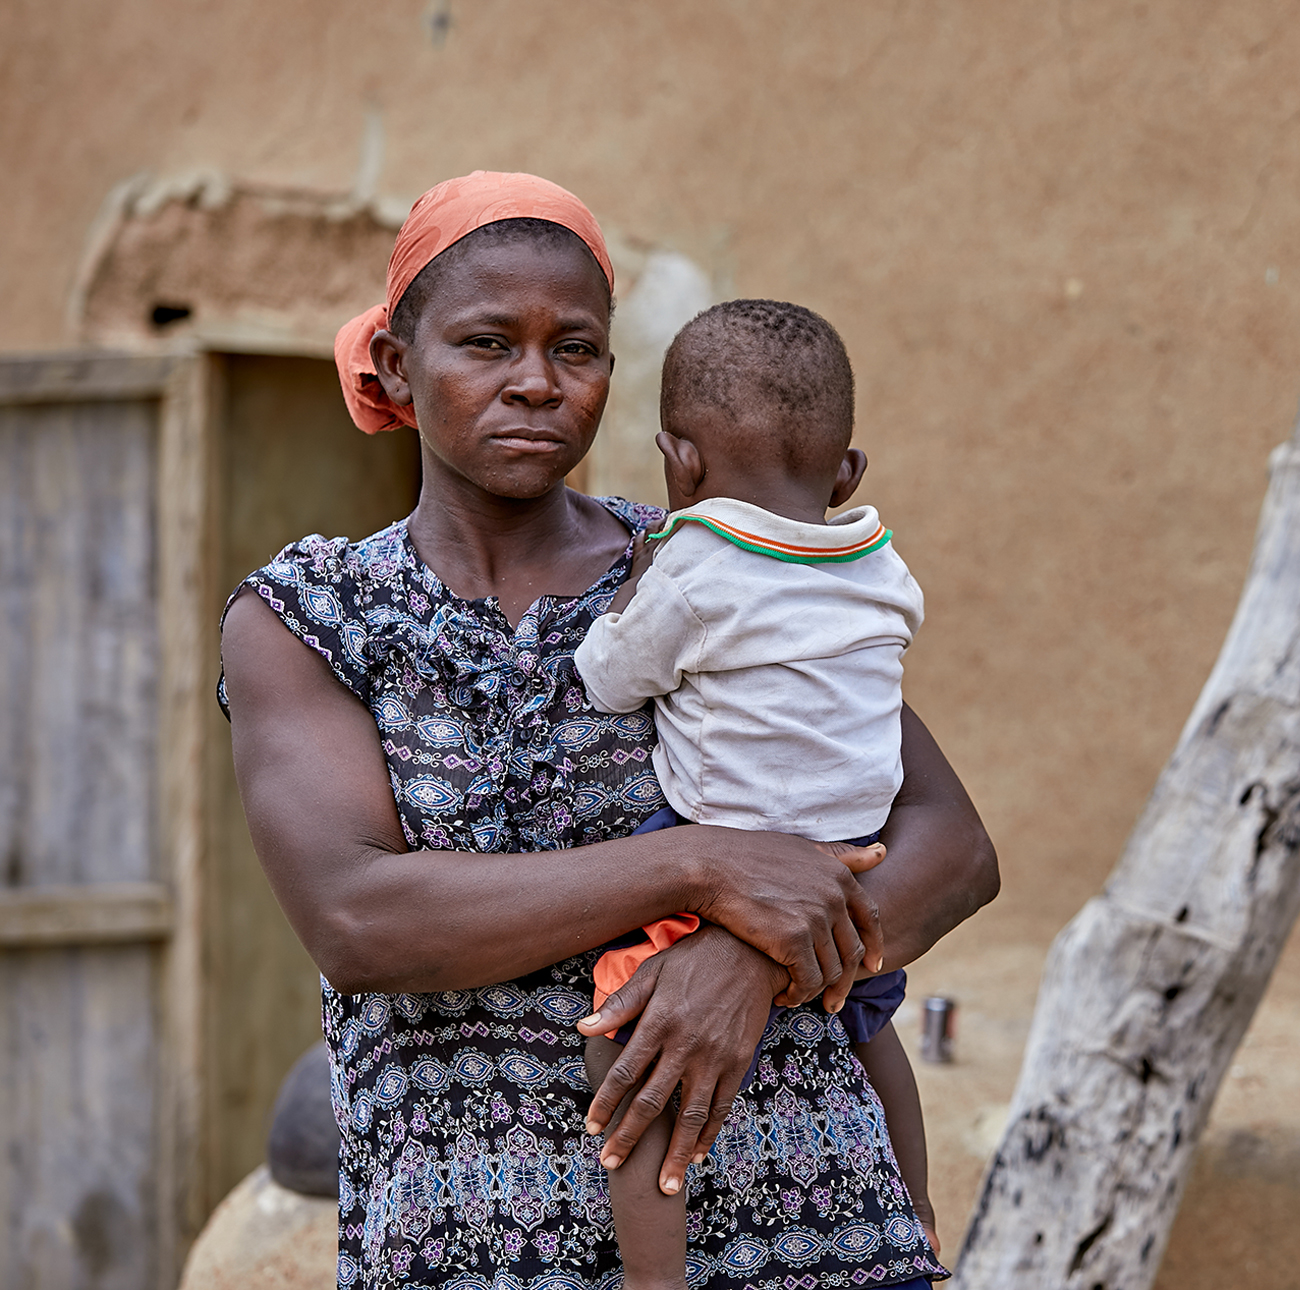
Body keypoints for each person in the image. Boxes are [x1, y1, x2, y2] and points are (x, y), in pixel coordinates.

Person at [217, 171, 997, 1290]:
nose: (536, 382)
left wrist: (746, 963)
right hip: (467, 1247)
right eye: (488, 343)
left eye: (574, 350)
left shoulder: (711, 561)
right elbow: (361, 918)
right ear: (395, 363)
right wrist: (699, 866)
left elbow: (951, 848)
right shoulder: (314, 614)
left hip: (813, 1226)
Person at [572, 299, 935, 1288]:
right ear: (846, 471)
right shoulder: (882, 569)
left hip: (724, 844)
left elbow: (607, 677)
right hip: (851, 858)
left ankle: (652, 1277)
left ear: (678, 461)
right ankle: (918, 1216)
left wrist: (633, 585)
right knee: (869, 1026)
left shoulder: (697, 570)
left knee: (621, 1040)